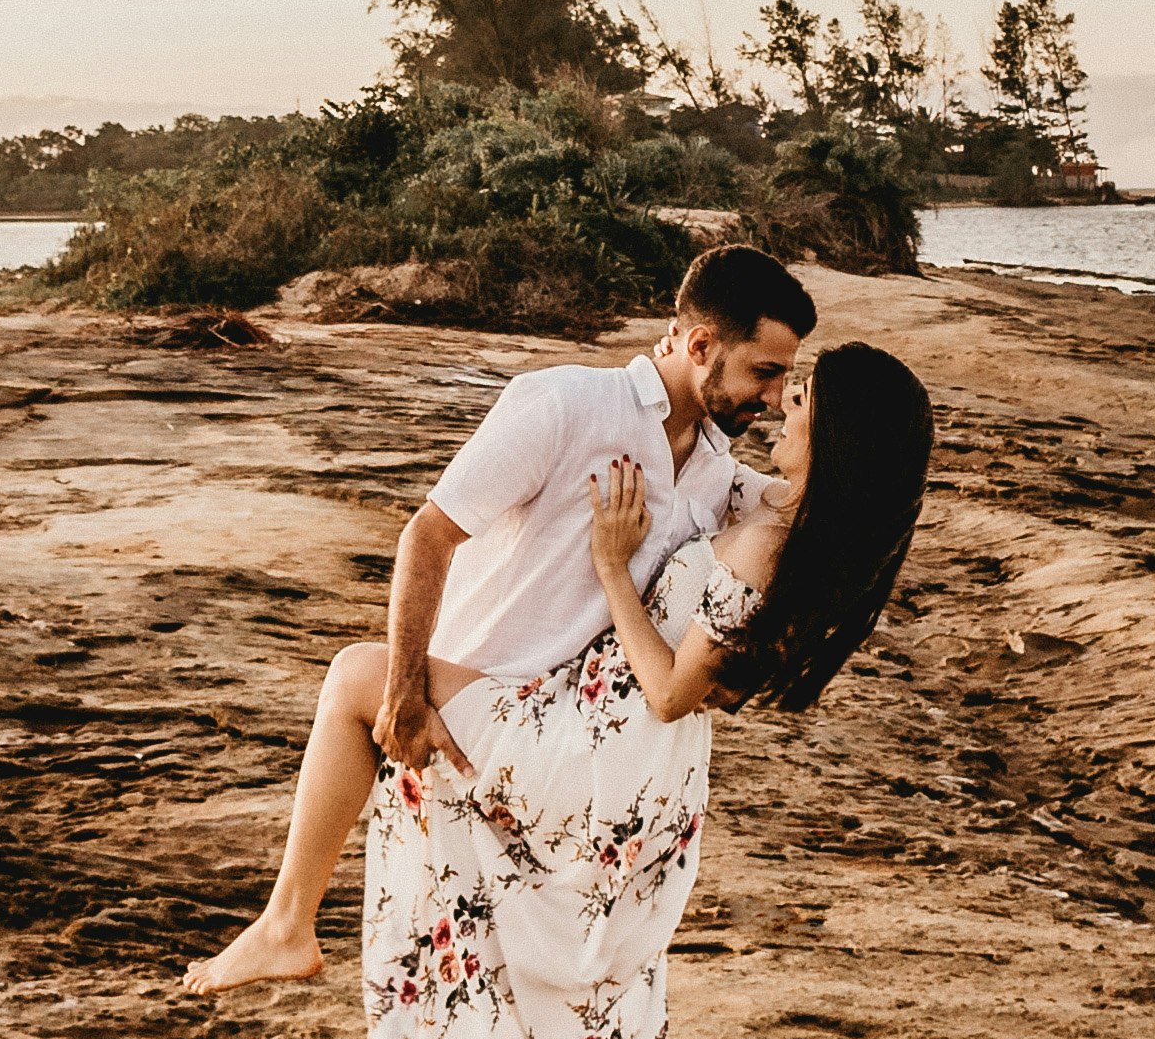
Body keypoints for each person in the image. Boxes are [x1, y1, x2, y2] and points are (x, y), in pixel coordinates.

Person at [269, 329, 935, 1039]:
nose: (785, 404)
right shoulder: (781, 515)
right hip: (647, 799)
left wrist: (609, 571)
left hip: (595, 760)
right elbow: (711, 497)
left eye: (802, 393)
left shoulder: (777, 541)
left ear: (837, 427)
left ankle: (287, 925)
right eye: (783, 380)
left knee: (363, 696)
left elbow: (672, 688)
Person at [180, 243, 818, 1000]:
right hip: (472, 718)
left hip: (566, 751)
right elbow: (429, 533)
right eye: (765, 372)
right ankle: (287, 926)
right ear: (700, 345)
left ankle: (287, 920)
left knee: (440, 982)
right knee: (434, 996)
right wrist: (408, 694)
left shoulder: (718, 468)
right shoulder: (564, 404)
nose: (774, 399)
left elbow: (801, 516)